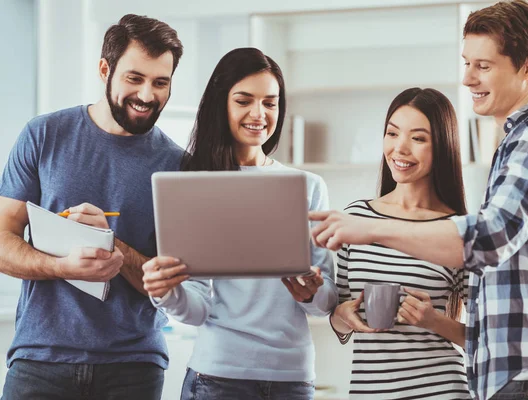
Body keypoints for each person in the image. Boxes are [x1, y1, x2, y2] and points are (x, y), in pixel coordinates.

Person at [310, 1, 528, 399]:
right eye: (466, 63)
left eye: (483, 65)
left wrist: (370, 229)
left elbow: (490, 239)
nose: (467, 78)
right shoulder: (520, 142)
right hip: (527, 373)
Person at [0, 14, 184, 399]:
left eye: (160, 82)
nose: (147, 95)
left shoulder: (178, 166)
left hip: (134, 366)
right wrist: (59, 267)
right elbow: (2, 240)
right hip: (40, 361)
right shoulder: (44, 135)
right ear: (105, 69)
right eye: (134, 78)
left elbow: (173, 285)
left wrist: (109, 243)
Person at [141, 47, 338, 400]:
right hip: (218, 375)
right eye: (244, 100)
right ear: (222, 105)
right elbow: (197, 308)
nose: (259, 114)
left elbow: (324, 303)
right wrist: (165, 292)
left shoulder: (308, 187)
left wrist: (313, 292)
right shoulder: (195, 186)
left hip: (292, 378)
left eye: (270, 102)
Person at [329, 88, 471, 399]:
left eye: (418, 138)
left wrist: (433, 321)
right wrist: (343, 318)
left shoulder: (457, 230)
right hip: (370, 392)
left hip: (442, 391)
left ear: (442, 147)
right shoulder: (357, 217)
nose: (399, 148)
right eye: (392, 133)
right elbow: (339, 319)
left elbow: (487, 339)